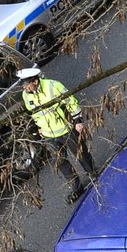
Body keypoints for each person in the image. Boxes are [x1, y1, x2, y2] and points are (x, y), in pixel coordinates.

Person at [18, 67, 95, 202]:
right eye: (23, 85)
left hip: (67, 128)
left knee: (80, 153)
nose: (25, 88)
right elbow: (34, 113)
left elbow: (71, 101)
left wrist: (77, 120)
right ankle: (77, 187)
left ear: (35, 81)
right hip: (49, 135)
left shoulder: (53, 86)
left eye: (27, 84)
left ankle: (93, 173)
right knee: (60, 162)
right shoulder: (26, 95)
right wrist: (39, 129)